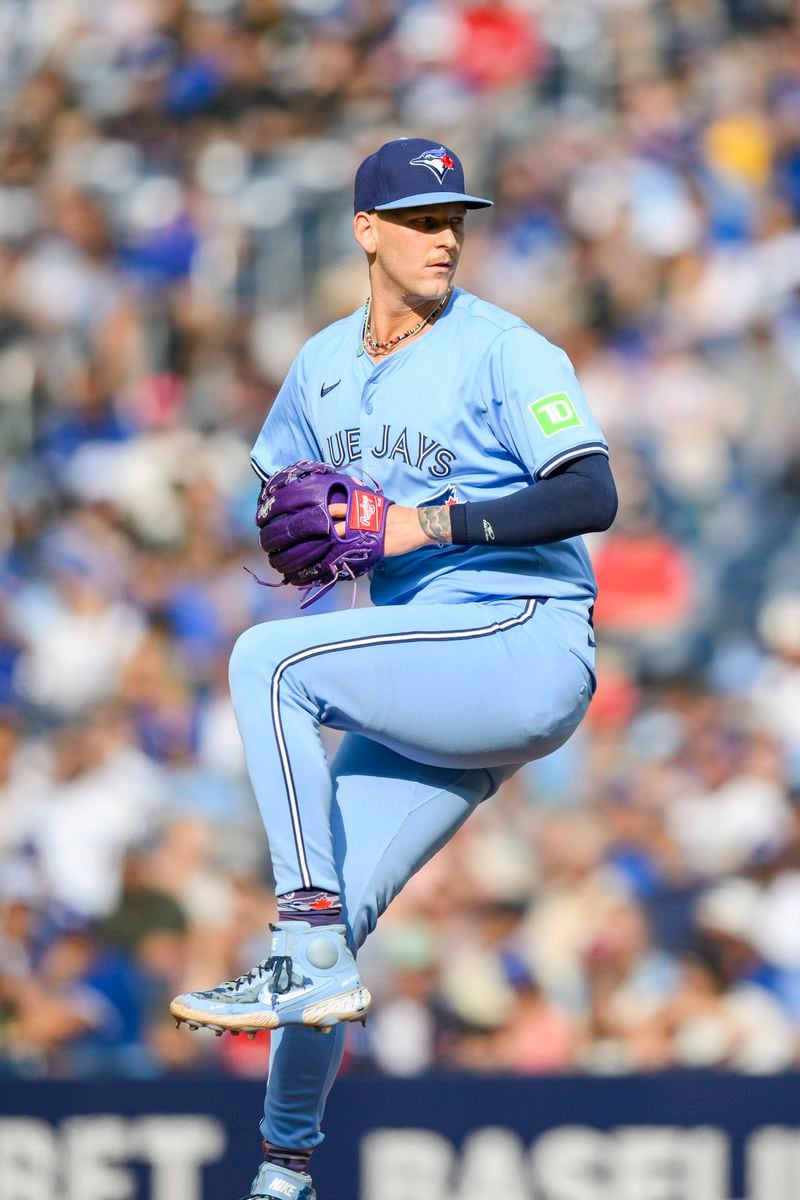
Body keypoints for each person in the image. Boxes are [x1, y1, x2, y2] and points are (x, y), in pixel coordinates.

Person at [170, 137, 617, 1200]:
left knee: (267, 665)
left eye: (453, 218)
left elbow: (589, 494)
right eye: (420, 219)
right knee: (332, 935)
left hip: (517, 631)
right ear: (364, 229)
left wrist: (424, 522)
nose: (444, 237)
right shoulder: (322, 361)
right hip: (429, 676)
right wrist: (290, 533)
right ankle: (283, 1171)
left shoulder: (506, 350)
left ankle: (304, 933)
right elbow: (283, 500)